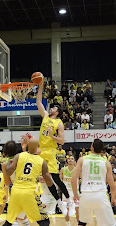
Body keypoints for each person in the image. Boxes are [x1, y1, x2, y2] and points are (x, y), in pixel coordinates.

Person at [0, 138, 61, 226]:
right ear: (38, 147)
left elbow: (8, 174)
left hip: (15, 191)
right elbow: (49, 182)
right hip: (29, 192)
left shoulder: (19, 157)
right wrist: (58, 198)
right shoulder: (41, 161)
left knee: (9, 222)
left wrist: (11, 162)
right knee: (44, 221)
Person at [36, 74, 75, 217]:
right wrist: (40, 87)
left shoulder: (58, 123)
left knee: (56, 179)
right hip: (41, 151)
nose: (51, 108)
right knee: (46, 180)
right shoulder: (45, 116)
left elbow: (62, 141)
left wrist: (52, 136)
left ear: (57, 112)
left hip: (51, 152)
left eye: (53, 108)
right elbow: (39, 102)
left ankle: (69, 202)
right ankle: (59, 202)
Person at [60, 155, 79, 226]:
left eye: (72, 159)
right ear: (67, 161)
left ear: (75, 161)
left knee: (77, 209)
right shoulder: (63, 169)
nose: (70, 160)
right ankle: (68, 225)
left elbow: (81, 179)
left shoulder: (77, 170)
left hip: (75, 192)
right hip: (66, 192)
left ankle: (78, 225)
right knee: (66, 209)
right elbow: (60, 180)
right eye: (69, 159)